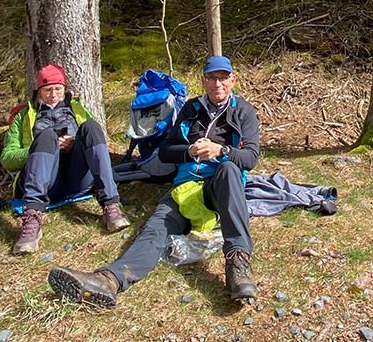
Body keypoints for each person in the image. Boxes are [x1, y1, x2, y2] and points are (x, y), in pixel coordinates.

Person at [47, 55, 261, 308]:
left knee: (228, 169)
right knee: (154, 230)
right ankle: (109, 280)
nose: (218, 84)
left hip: (222, 188)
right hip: (185, 188)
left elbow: (250, 158)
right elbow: (167, 150)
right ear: (203, 81)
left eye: (223, 78)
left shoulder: (244, 111)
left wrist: (220, 151)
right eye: (212, 78)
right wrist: (190, 151)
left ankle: (238, 263)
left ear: (232, 80)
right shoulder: (190, 110)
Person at [3, 63, 129, 255]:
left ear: (64, 89)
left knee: (91, 127)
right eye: (47, 90)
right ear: (38, 91)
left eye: (57, 89)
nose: (53, 94)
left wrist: (73, 143)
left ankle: (110, 205)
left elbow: (92, 142)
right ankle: (32, 218)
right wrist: (37, 148)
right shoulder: (24, 117)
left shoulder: (77, 110)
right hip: (44, 181)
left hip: (77, 178)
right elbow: (7, 159)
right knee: (46, 136)